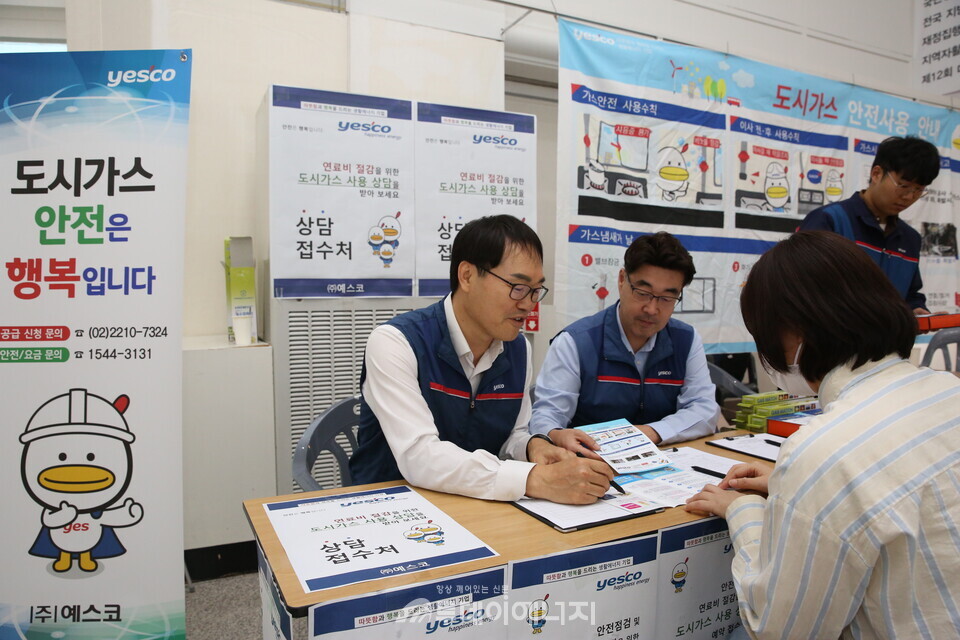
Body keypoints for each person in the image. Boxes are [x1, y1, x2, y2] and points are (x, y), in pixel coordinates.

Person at [685, 230, 960, 639]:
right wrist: (790, 485)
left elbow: (780, 629)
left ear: (793, 333)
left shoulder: (823, 452)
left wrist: (744, 512)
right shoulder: (948, 390)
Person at [349, 215, 614, 504]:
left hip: (476, 506)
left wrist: (532, 447)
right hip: (392, 507)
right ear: (467, 276)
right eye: (517, 286)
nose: (527, 304)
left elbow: (511, 435)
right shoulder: (396, 342)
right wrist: (533, 479)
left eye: (535, 290)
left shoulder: (518, 348)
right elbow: (419, 455)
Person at [530, 232, 719, 457]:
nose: (652, 309)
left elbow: (704, 409)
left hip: (664, 464)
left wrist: (650, 433)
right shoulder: (576, 342)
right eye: (643, 292)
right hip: (591, 463)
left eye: (667, 298)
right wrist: (555, 433)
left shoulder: (686, 340)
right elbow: (546, 417)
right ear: (622, 280)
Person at [797, 135, 939, 313]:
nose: (909, 197)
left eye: (918, 190)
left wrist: (915, 310)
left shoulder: (910, 239)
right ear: (876, 174)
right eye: (903, 186)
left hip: (889, 340)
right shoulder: (829, 221)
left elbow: (911, 295)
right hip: (831, 339)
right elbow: (800, 289)